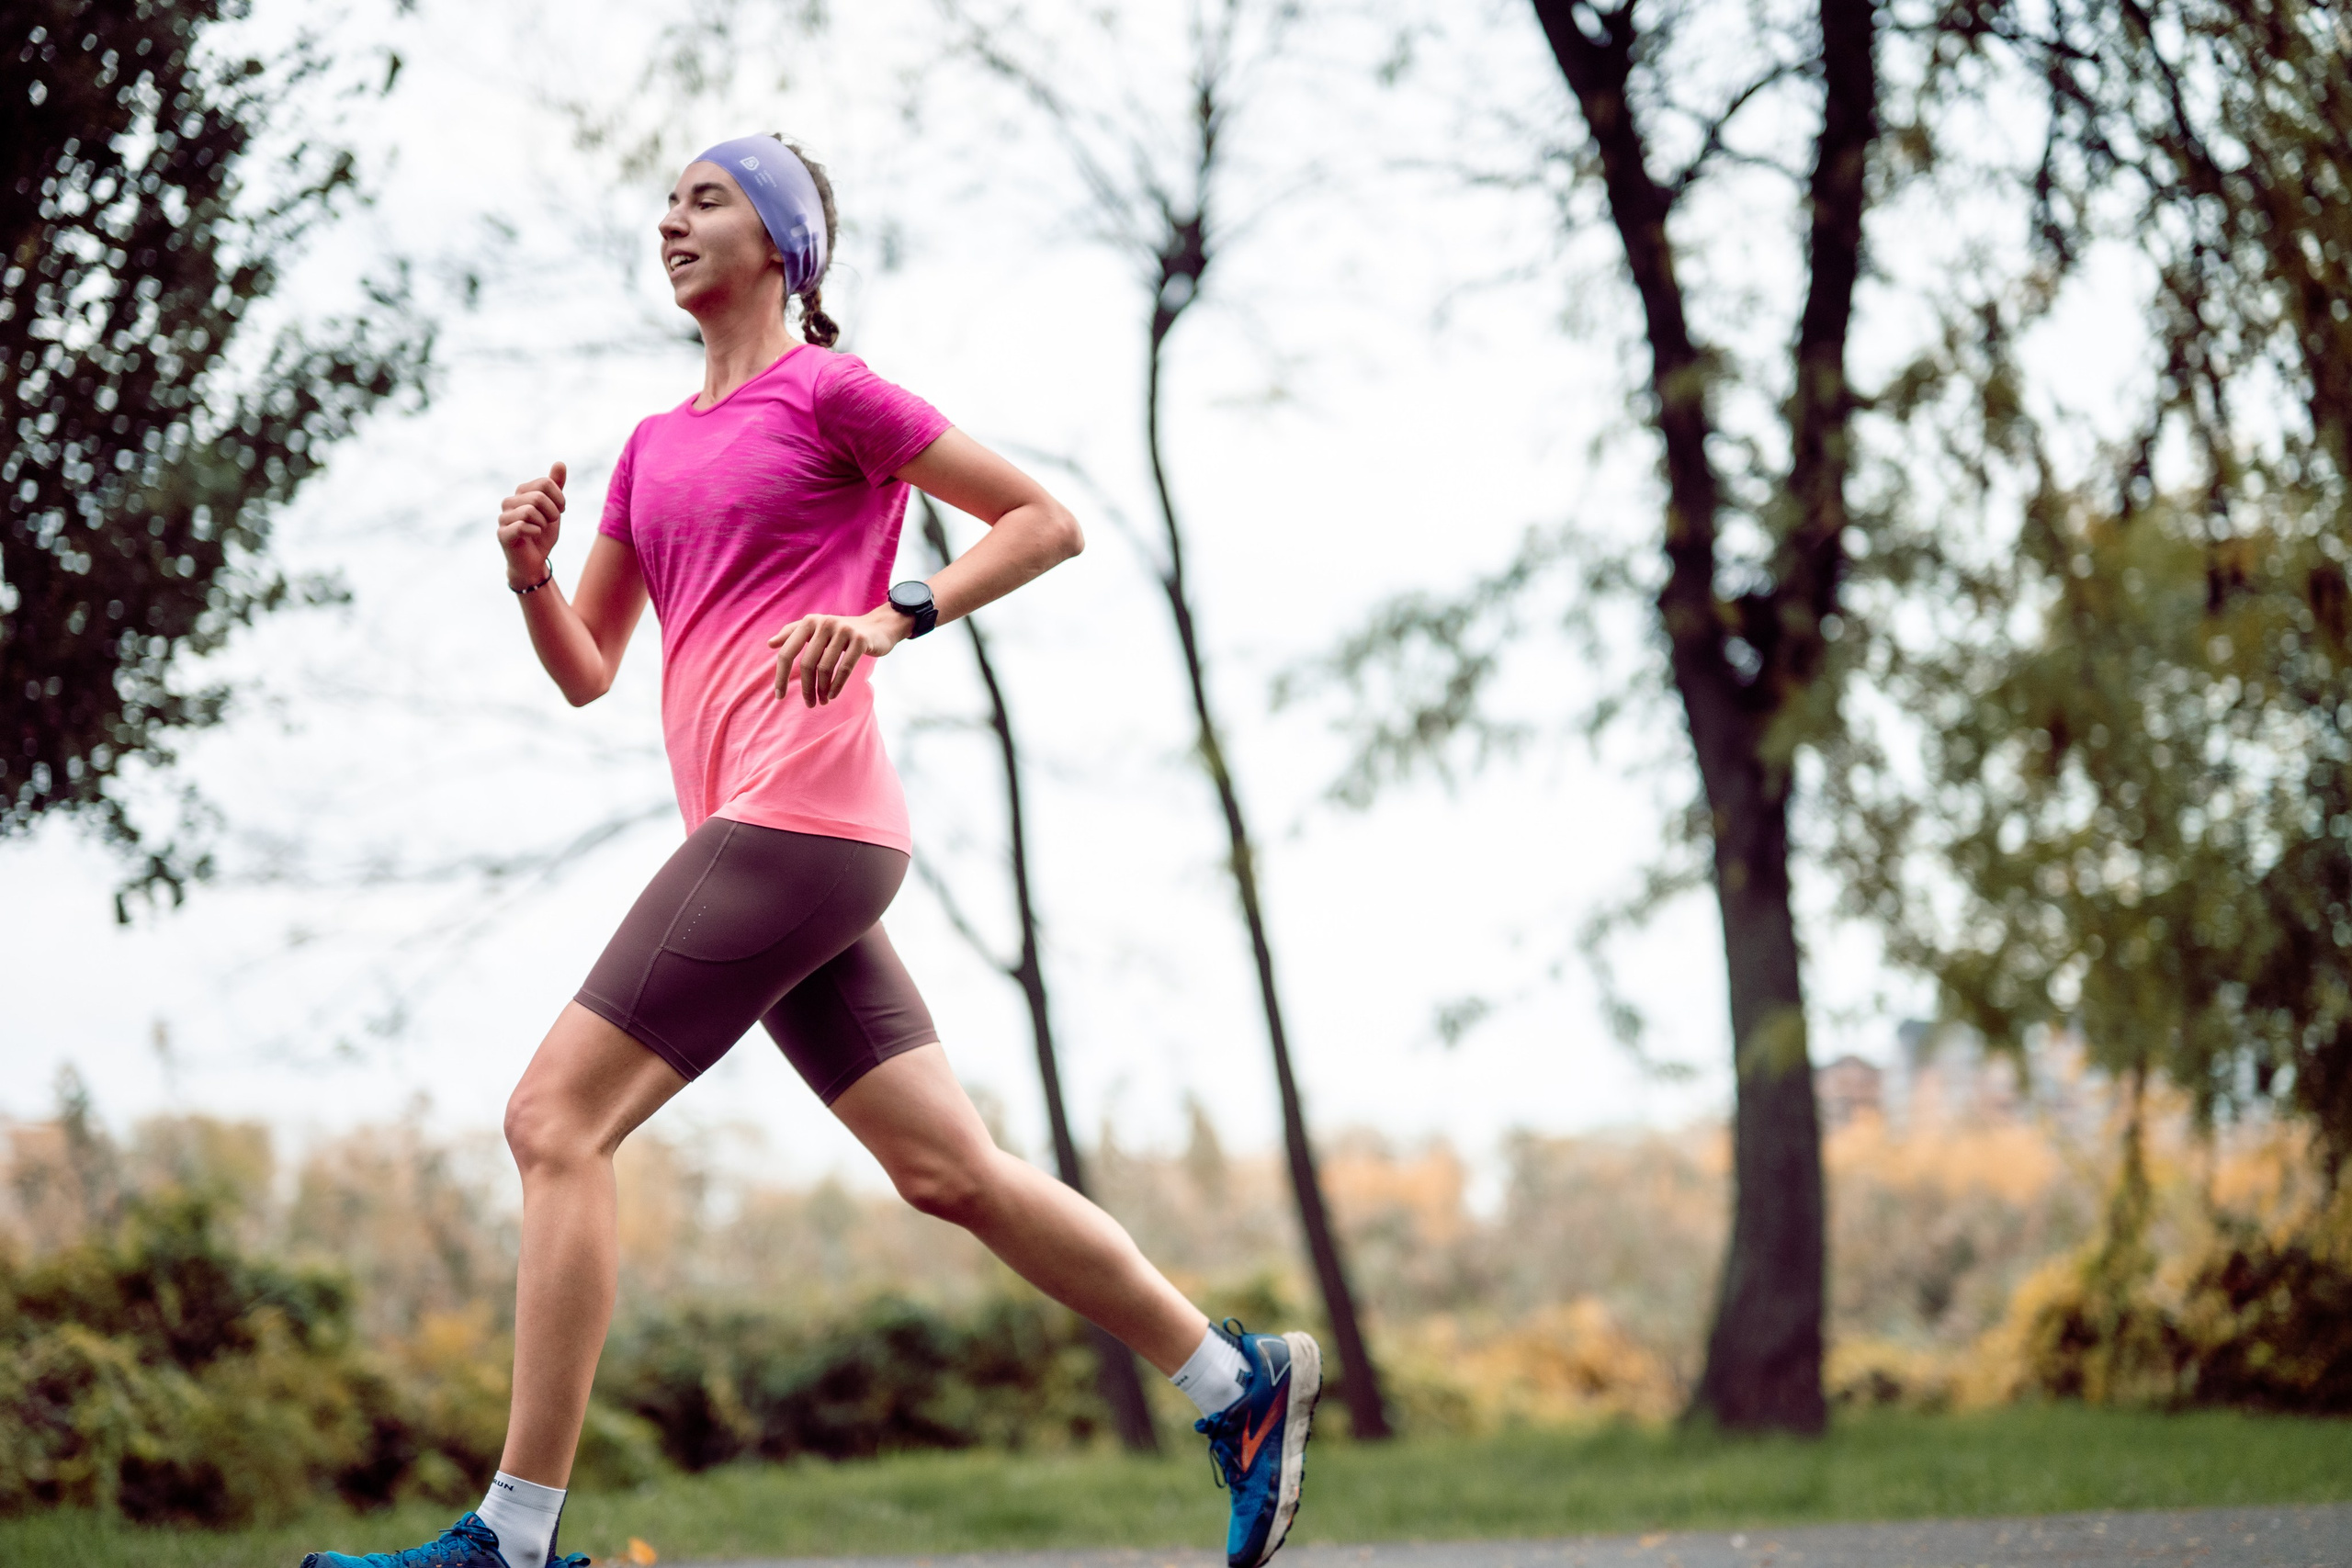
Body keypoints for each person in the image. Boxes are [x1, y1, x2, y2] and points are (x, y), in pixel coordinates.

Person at [300, 135, 1320, 1568]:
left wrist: (894, 614)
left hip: (805, 818)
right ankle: (1236, 1381)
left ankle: (512, 1539)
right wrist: (531, 576)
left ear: (782, 242)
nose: (672, 222)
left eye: (705, 200)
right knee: (949, 1171)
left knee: (554, 1122)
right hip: (780, 845)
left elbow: (1044, 522)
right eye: (663, 204)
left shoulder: (829, 393)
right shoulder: (652, 452)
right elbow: (591, 667)